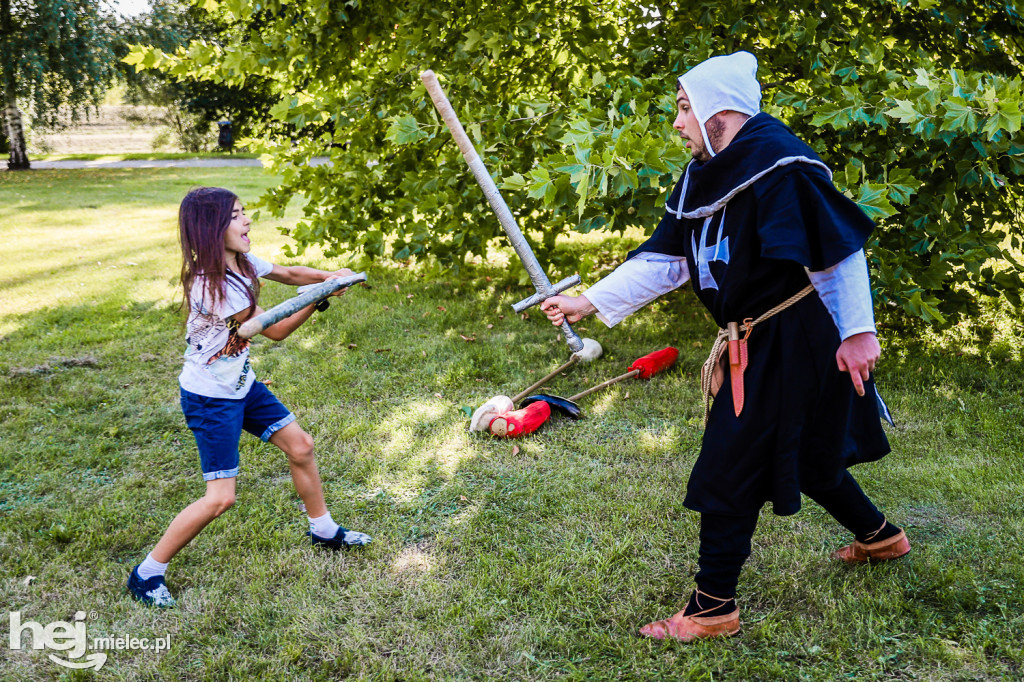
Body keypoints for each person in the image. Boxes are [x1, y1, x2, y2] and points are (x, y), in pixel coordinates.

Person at [541, 52, 909, 642]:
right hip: (757, 337)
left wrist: (859, 332)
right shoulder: (703, 173)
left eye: (686, 108)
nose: (679, 122)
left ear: (720, 109)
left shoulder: (780, 164)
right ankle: (881, 537)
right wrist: (590, 301)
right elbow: (668, 260)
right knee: (813, 455)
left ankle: (712, 609)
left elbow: (836, 251)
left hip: (796, 337)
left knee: (729, 467)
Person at [127, 187, 371, 608]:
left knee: (301, 446)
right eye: (236, 216)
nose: (247, 221)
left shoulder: (242, 265)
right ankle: (147, 573)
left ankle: (324, 530)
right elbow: (273, 330)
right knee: (221, 498)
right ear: (211, 228)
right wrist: (321, 297)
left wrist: (330, 276)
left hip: (241, 383)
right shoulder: (213, 287)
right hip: (211, 398)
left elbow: (291, 273)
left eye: (245, 213)